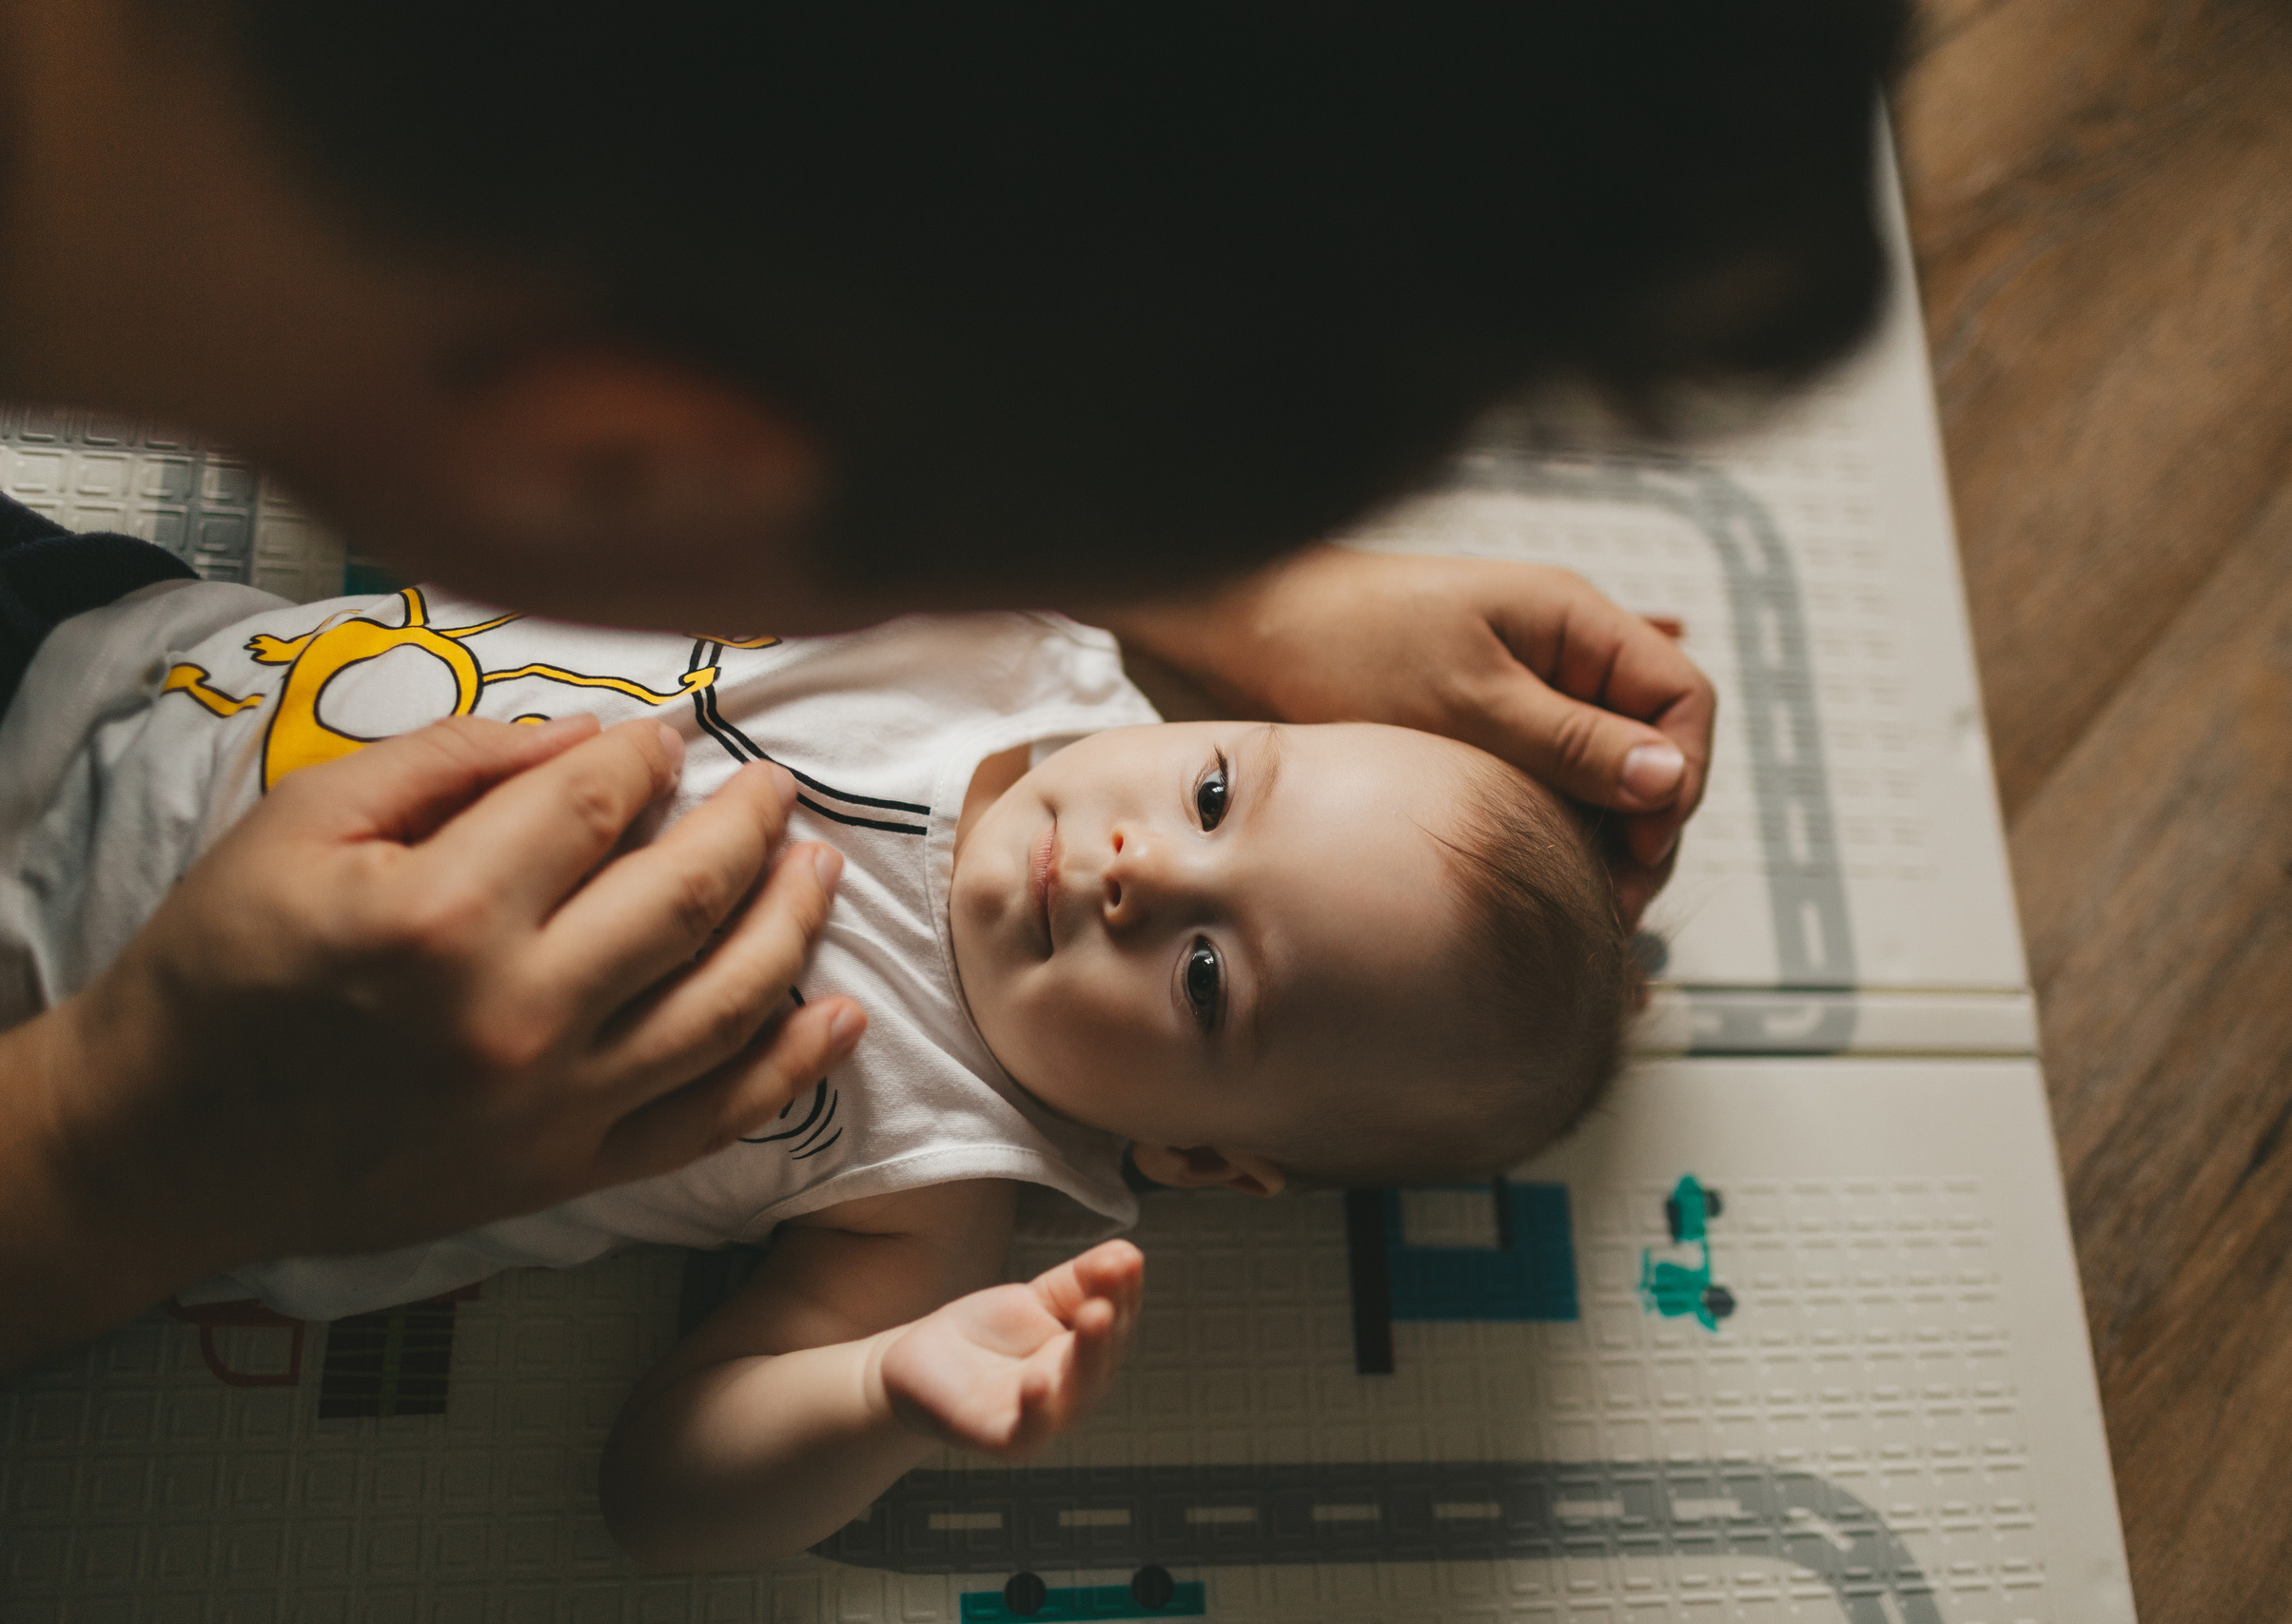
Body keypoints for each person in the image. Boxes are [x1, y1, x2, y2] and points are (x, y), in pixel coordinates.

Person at [0, 0, 1903, 1371]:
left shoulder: (934, 1176)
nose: (1144, 859)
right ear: (625, 457)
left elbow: (708, 1461)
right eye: (941, 537)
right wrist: (110, 1151)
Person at [8, 580, 1632, 1567]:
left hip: (86, 1062)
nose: (1145, 871)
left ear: (1202, 1162)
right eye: (1216, 792)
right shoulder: (1008, 629)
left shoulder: (931, 1183)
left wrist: (881, 1396)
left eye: (1208, 980)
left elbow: (663, 1498)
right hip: (115, 671)